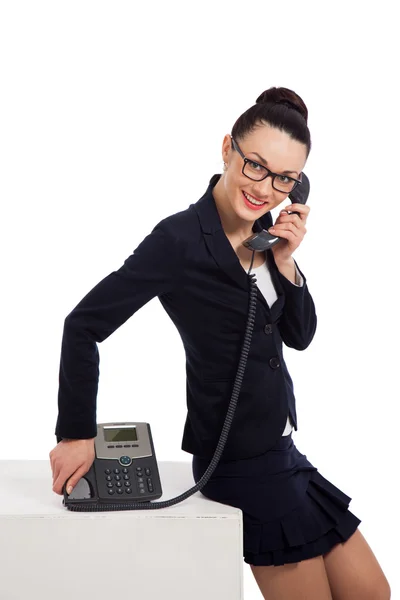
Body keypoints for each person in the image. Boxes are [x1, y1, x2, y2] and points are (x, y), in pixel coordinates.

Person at [49, 86, 391, 599]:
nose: (266, 189)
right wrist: (74, 433)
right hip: (237, 462)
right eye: (256, 165)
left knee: (373, 593)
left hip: (284, 451)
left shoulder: (269, 239)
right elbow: (82, 325)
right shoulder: (179, 241)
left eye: (285, 179)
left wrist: (286, 261)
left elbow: (301, 336)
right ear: (228, 148)